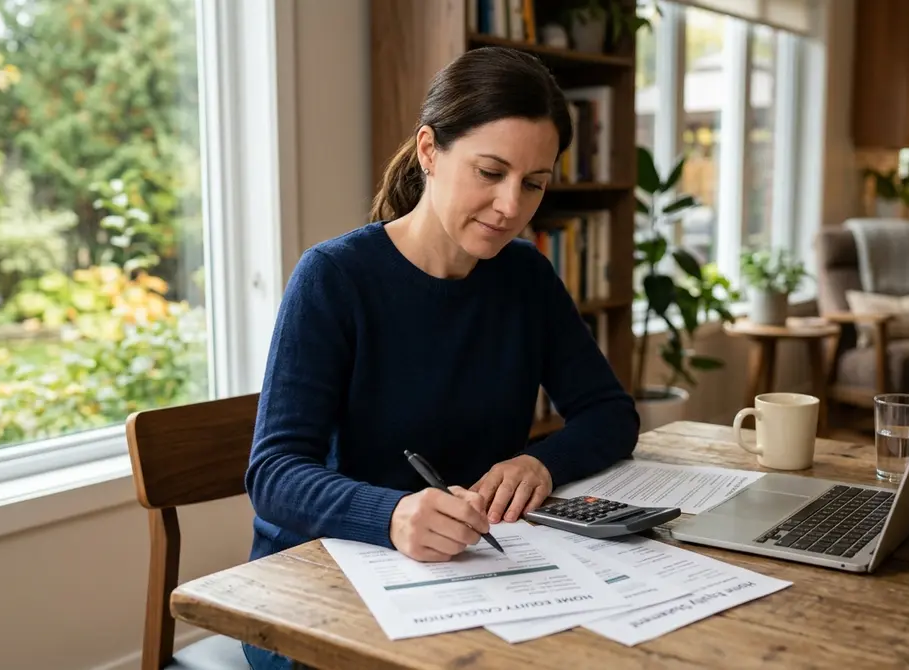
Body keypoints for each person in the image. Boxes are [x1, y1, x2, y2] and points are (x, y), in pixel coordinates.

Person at [241, 46, 640, 670]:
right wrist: (393, 514)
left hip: (474, 573)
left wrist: (541, 462)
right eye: (490, 172)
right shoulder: (335, 278)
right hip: (321, 585)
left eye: (534, 183)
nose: (512, 205)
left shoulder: (526, 277)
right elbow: (273, 475)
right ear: (430, 151)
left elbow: (610, 413)